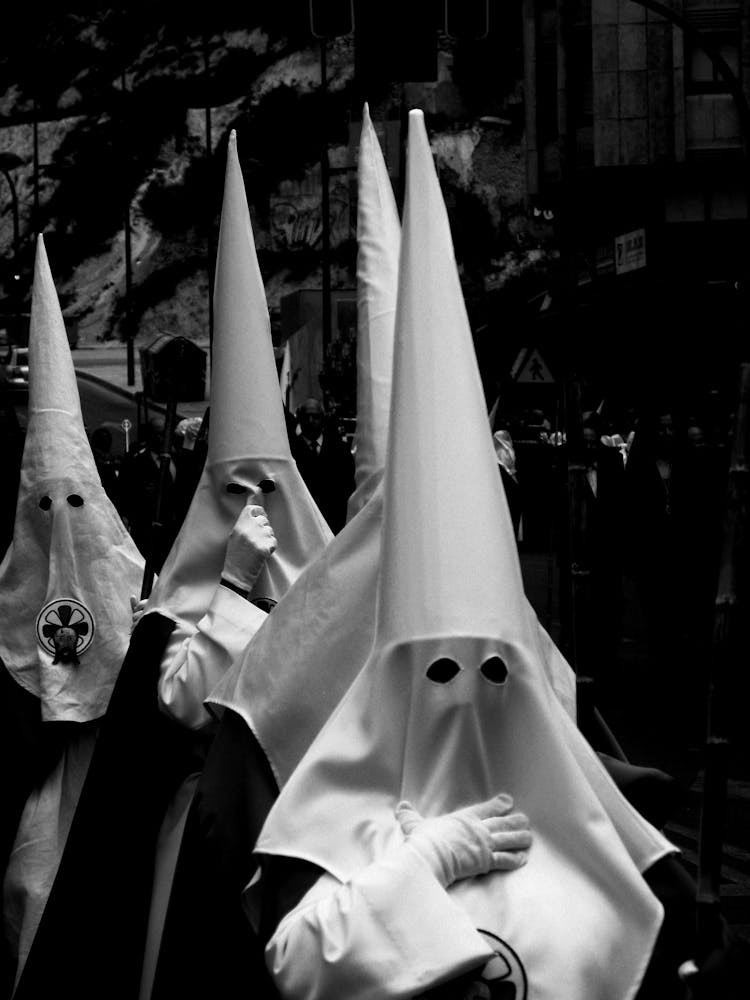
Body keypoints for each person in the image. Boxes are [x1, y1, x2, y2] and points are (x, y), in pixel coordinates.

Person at [225, 110, 703, 1000]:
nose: (466, 699)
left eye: (493, 673)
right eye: (438, 672)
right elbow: (294, 962)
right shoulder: (336, 839)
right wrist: (423, 864)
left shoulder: (612, 850)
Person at [12, 131, 332, 1000]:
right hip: (194, 842)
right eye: (231, 490)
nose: (254, 508)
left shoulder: (330, 583)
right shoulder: (169, 602)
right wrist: (227, 587)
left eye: (267, 485)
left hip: (313, 836)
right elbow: (179, 710)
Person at [0, 237, 145, 996]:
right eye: (43, 506)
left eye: (77, 504)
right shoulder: (8, 583)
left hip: (107, 782)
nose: (61, 525)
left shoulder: (122, 567)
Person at [291, 397, 355, 534]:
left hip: (335, 525)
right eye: (306, 416)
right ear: (300, 419)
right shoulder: (290, 452)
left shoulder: (340, 450)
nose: (310, 421)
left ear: (323, 419)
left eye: (315, 417)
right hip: (302, 525)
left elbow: (348, 488)